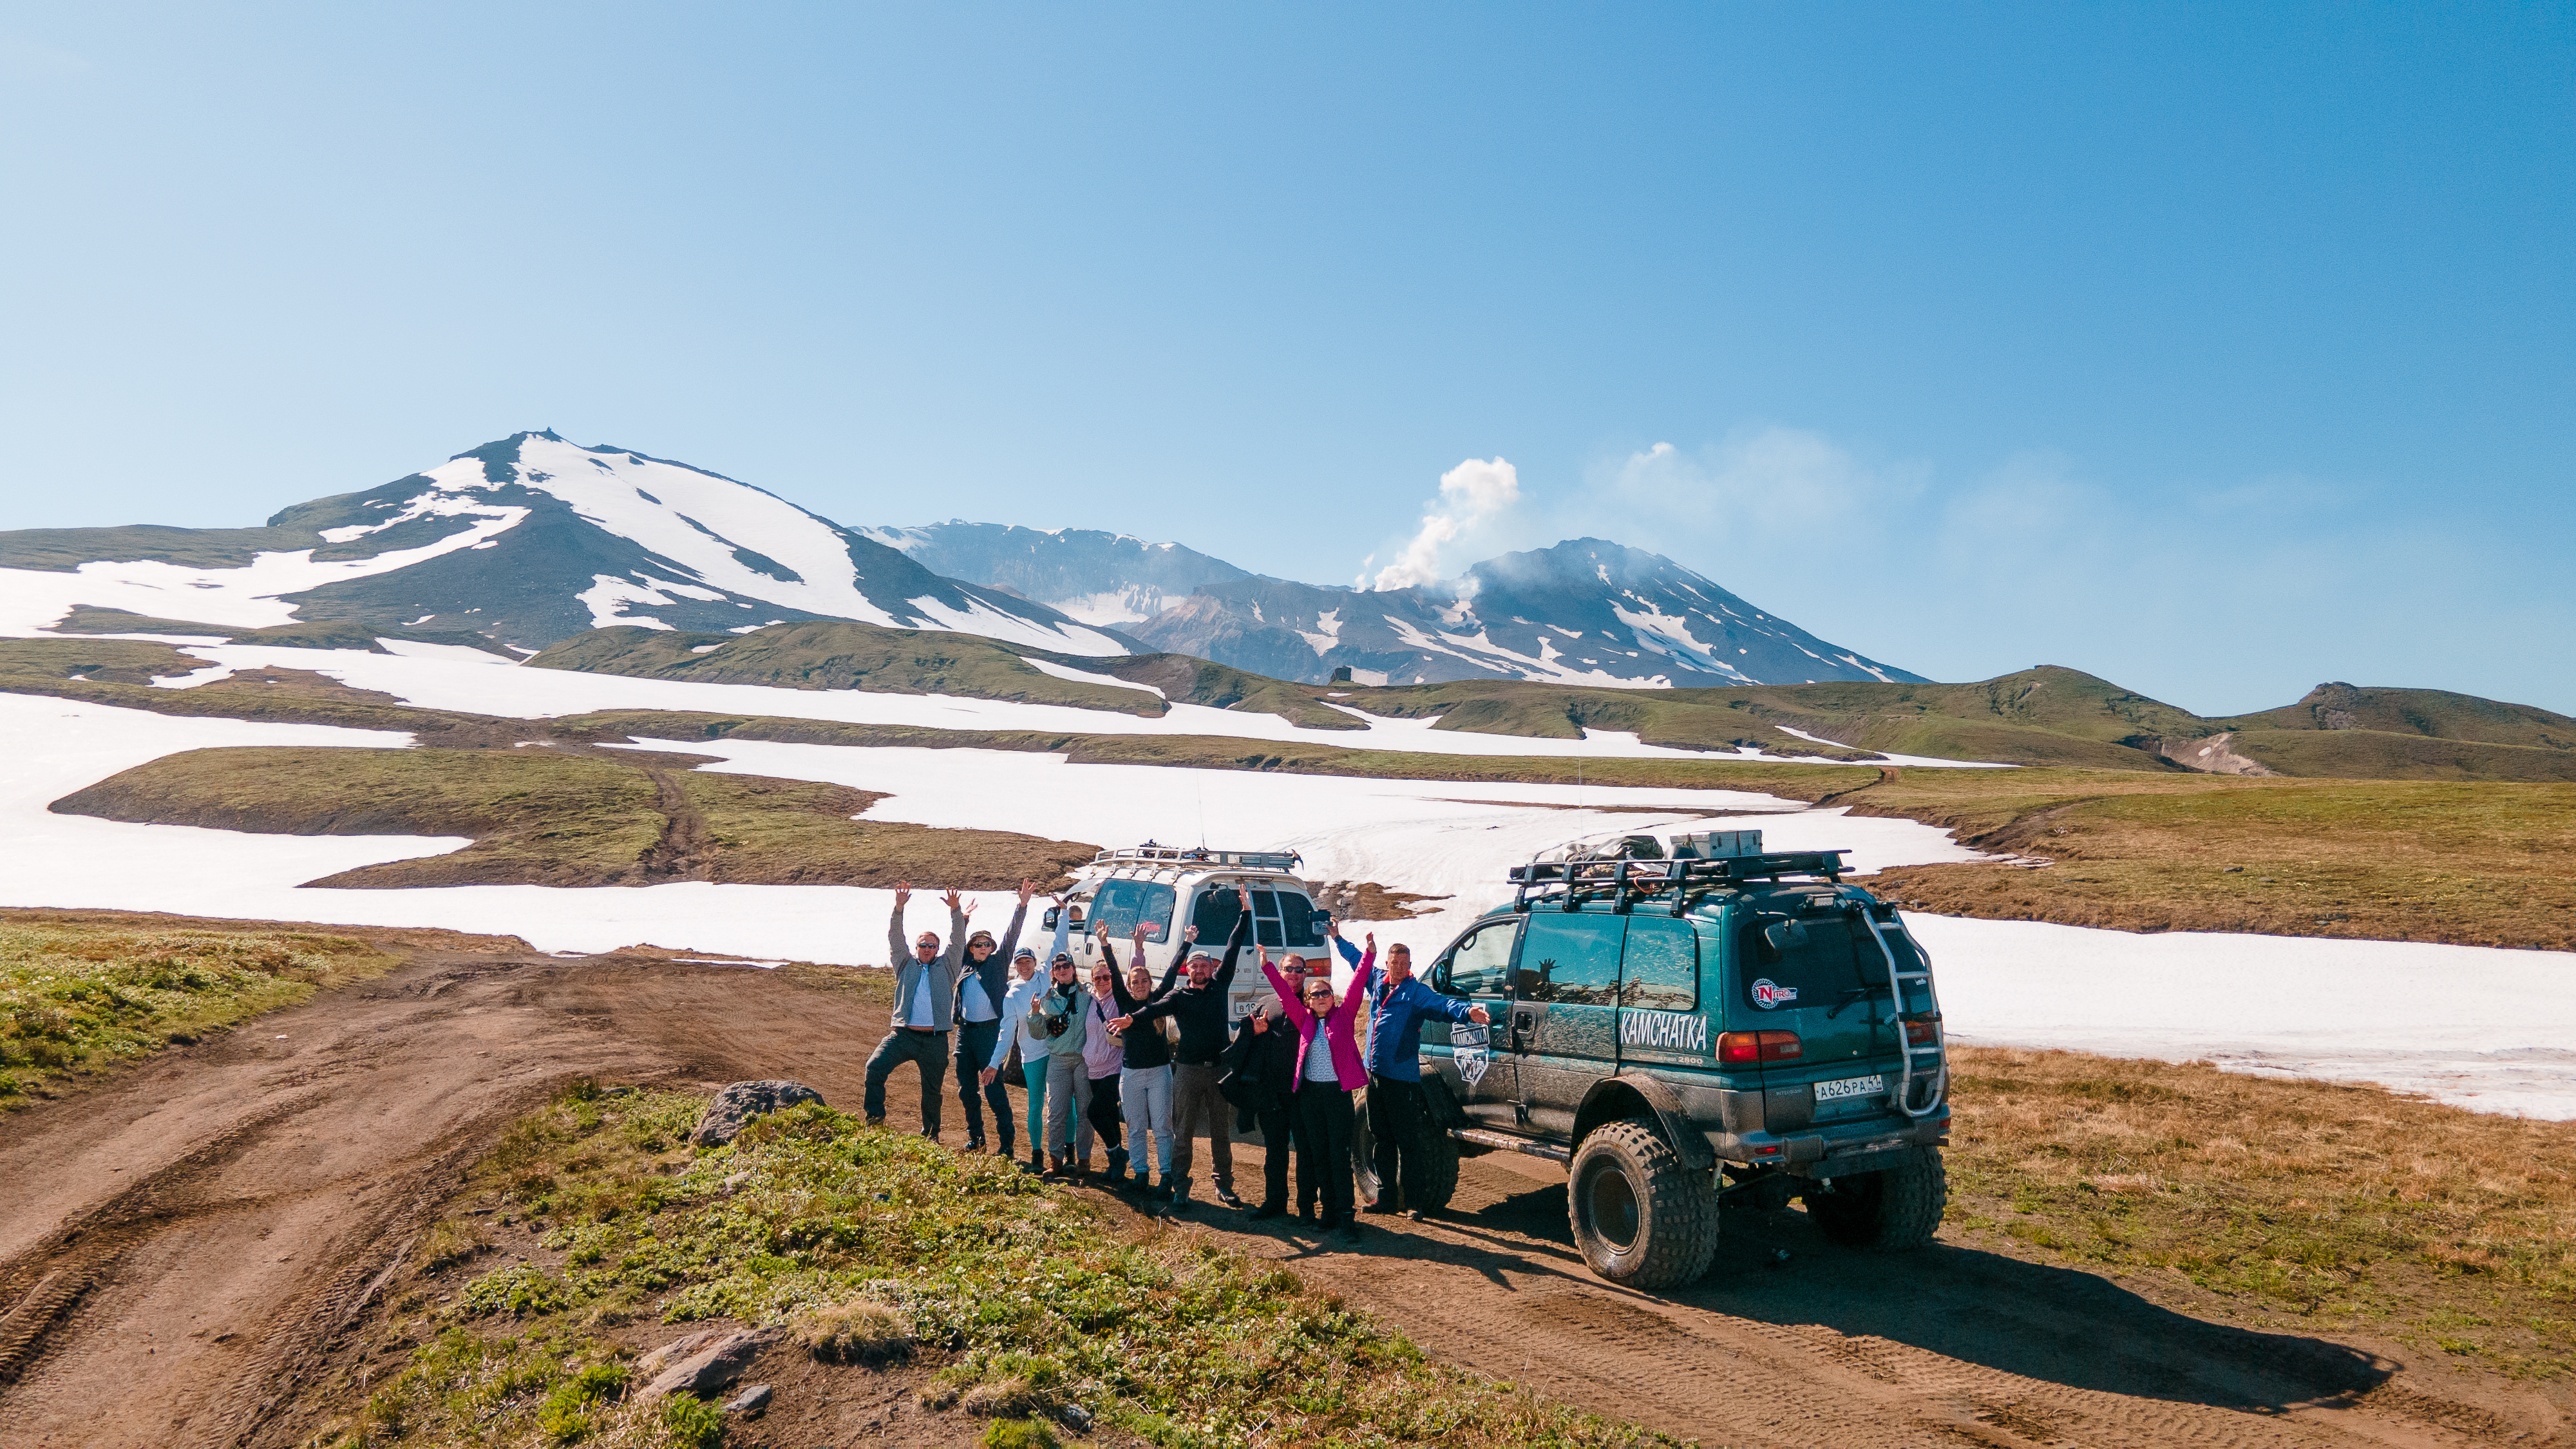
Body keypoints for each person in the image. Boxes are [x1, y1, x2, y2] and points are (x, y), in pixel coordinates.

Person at [1110, 889, 1252, 1213]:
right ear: (1188, 970)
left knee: (1220, 1132)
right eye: (1194, 966)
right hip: (1187, 1070)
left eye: (1204, 965)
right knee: (1183, 1131)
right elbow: (1153, 1009)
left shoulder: (1220, 985)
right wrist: (1132, 1018)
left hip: (1219, 1069)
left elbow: (1233, 947)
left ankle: (1224, 1185)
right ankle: (1180, 1186)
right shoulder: (1177, 997)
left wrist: (1245, 912)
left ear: (1212, 968)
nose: (1200, 969)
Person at [1358, 934, 1492, 1218]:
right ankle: (1386, 1199)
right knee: (1381, 1139)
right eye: (1395, 963)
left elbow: (1442, 1006)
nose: (1399, 968)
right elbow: (1356, 960)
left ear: (1410, 966)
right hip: (1375, 1077)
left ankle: (1414, 1203)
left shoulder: (1416, 992)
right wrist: (1336, 938)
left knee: (1408, 1143)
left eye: (1404, 964)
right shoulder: (1377, 980)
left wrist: (1467, 1012)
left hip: (1402, 1080)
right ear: (1387, 963)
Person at [1266, 938, 1370, 1242]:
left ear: (1332, 997)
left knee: (1340, 1157)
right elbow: (1285, 995)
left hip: (1337, 1096)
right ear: (1309, 1001)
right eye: (1315, 995)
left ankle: (1347, 1217)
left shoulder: (1344, 1016)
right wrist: (1268, 966)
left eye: (1326, 993)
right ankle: (1328, 1213)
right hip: (1311, 1097)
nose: (1321, 997)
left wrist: (1369, 954)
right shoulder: (1304, 1020)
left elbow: (1357, 985)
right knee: (1320, 1156)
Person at [865, 883, 970, 1138]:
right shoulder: (904, 964)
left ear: (938, 950)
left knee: (932, 1091)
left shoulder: (948, 966)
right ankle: (874, 1122)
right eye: (923, 945)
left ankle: (931, 1134)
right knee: (874, 1067)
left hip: (935, 1039)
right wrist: (899, 909)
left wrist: (956, 912)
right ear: (916, 948)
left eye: (932, 946)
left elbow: (958, 941)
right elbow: (895, 938)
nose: (927, 949)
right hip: (903, 1036)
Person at [1102, 922, 1186, 1200]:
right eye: (1135, 982)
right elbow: (1115, 974)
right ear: (1129, 987)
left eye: (1144, 981)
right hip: (1132, 1075)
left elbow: (1172, 973)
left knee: (1162, 1127)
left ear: (1151, 984)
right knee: (1136, 1127)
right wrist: (1105, 944)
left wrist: (1187, 942)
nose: (1139, 985)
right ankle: (1140, 1173)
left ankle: (1166, 1175)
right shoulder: (1125, 1002)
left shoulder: (1158, 1002)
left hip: (1160, 1073)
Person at [1227, 945, 1310, 1224]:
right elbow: (1244, 1038)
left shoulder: (1313, 1002)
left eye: (1299, 970)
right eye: (1289, 969)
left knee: (1306, 1151)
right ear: (1281, 972)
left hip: (1303, 1092)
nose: (1294, 974)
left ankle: (1306, 1208)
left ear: (1305, 974)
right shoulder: (1265, 1003)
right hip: (1271, 1093)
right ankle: (1275, 1202)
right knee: (1275, 1150)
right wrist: (1253, 1030)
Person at [954, 880, 1037, 1156]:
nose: (982, 947)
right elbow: (956, 942)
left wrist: (1022, 906)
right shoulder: (964, 964)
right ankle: (976, 1140)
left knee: (994, 1091)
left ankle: (1007, 1146)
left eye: (986, 944)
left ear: (991, 947)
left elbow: (1012, 935)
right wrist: (962, 918)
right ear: (971, 948)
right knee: (967, 1090)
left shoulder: (999, 962)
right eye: (977, 944)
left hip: (990, 1034)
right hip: (965, 1034)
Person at [982, 907, 1062, 1169]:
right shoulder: (1012, 995)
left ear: (1035, 962)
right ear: (1015, 967)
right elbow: (1006, 1033)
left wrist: (1062, 918)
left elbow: (1059, 946)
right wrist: (995, 1063)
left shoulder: (1046, 978)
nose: (1024, 965)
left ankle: (1067, 1153)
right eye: (1020, 963)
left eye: (1028, 961)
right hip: (1032, 1055)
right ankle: (1037, 1154)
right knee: (1035, 1104)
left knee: (1064, 1103)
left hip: (1056, 1051)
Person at [1030, 943, 1091, 1178]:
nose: (1063, 970)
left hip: (1083, 1061)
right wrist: (1035, 1014)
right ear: (1053, 972)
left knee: (1085, 1112)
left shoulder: (1087, 995)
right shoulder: (1047, 999)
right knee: (1056, 1112)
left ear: (1074, 969)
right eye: (1058, 967)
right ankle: (1056, 1160)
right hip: (1058, 1060)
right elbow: (1039, 1034)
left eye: (1067, 966)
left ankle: (1083, 1160)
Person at [1075, 945, 1129, 1181]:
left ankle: (1117, 1153)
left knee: (1095, 1112)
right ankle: (1116, 1165)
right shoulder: (1090, 1001)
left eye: (1107, 977)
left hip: (1114, 1066)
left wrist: (1137, 948)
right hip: (1094, 1068)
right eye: (1098, 978)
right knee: (1109, 1115)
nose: (1102, 981)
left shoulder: (1119, 999)